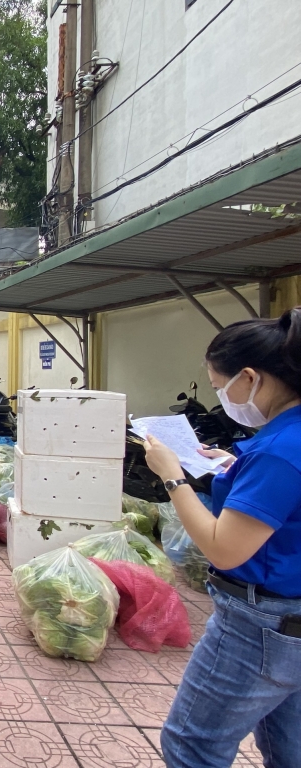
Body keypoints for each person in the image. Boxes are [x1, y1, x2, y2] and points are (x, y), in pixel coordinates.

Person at [143, 307, 301, 768]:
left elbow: (223, 548)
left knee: (193, 745)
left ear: (250, 378)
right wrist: (235, 469)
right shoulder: (284, 441)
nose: (222, 396)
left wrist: (174, 478)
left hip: (263, 626)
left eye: (219, 387)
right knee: (288, 749)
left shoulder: (278, 451)